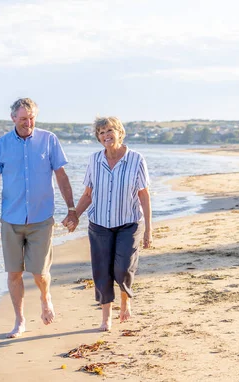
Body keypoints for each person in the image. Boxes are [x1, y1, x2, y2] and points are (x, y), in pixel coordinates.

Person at [0, 98, 78, 338]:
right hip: (11, 219)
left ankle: (45, 297)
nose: (29, 123)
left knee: (40, 272)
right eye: (24, 118)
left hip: (41, 218)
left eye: (32, 118)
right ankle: (20, 320)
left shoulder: (49, 140)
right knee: (14, 273)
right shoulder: (1, 145)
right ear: (13, 118)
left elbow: (61, 176)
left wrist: (71, 208)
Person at [67, 116, 152, 332]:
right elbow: (88, 194)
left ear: (119, 132)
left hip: (129, 223)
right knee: (102, 271)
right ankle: (106, 318)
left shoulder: (136, 159)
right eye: (102, 132)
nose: (106, 135)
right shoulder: (95, 160)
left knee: (122, 268)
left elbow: (144, 195)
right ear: (98, 137)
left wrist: (148, 230)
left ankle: (125, 300)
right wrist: (75, 215)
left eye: (110, 130)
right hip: (99, 224)